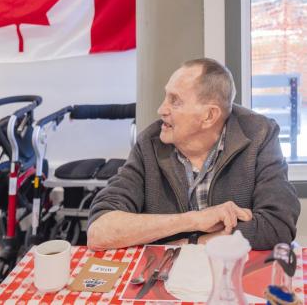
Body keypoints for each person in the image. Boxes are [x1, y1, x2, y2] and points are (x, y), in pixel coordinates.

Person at [87, 58, 300, 251]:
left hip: (234, 276)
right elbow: (99, 231)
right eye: (165, 97)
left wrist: (191, 243)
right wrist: (195, 220)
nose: (161, 109)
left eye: (175, 100)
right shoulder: (149, 143)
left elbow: (277, 226)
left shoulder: (260, 134)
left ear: (209, 116)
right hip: (165, 278)